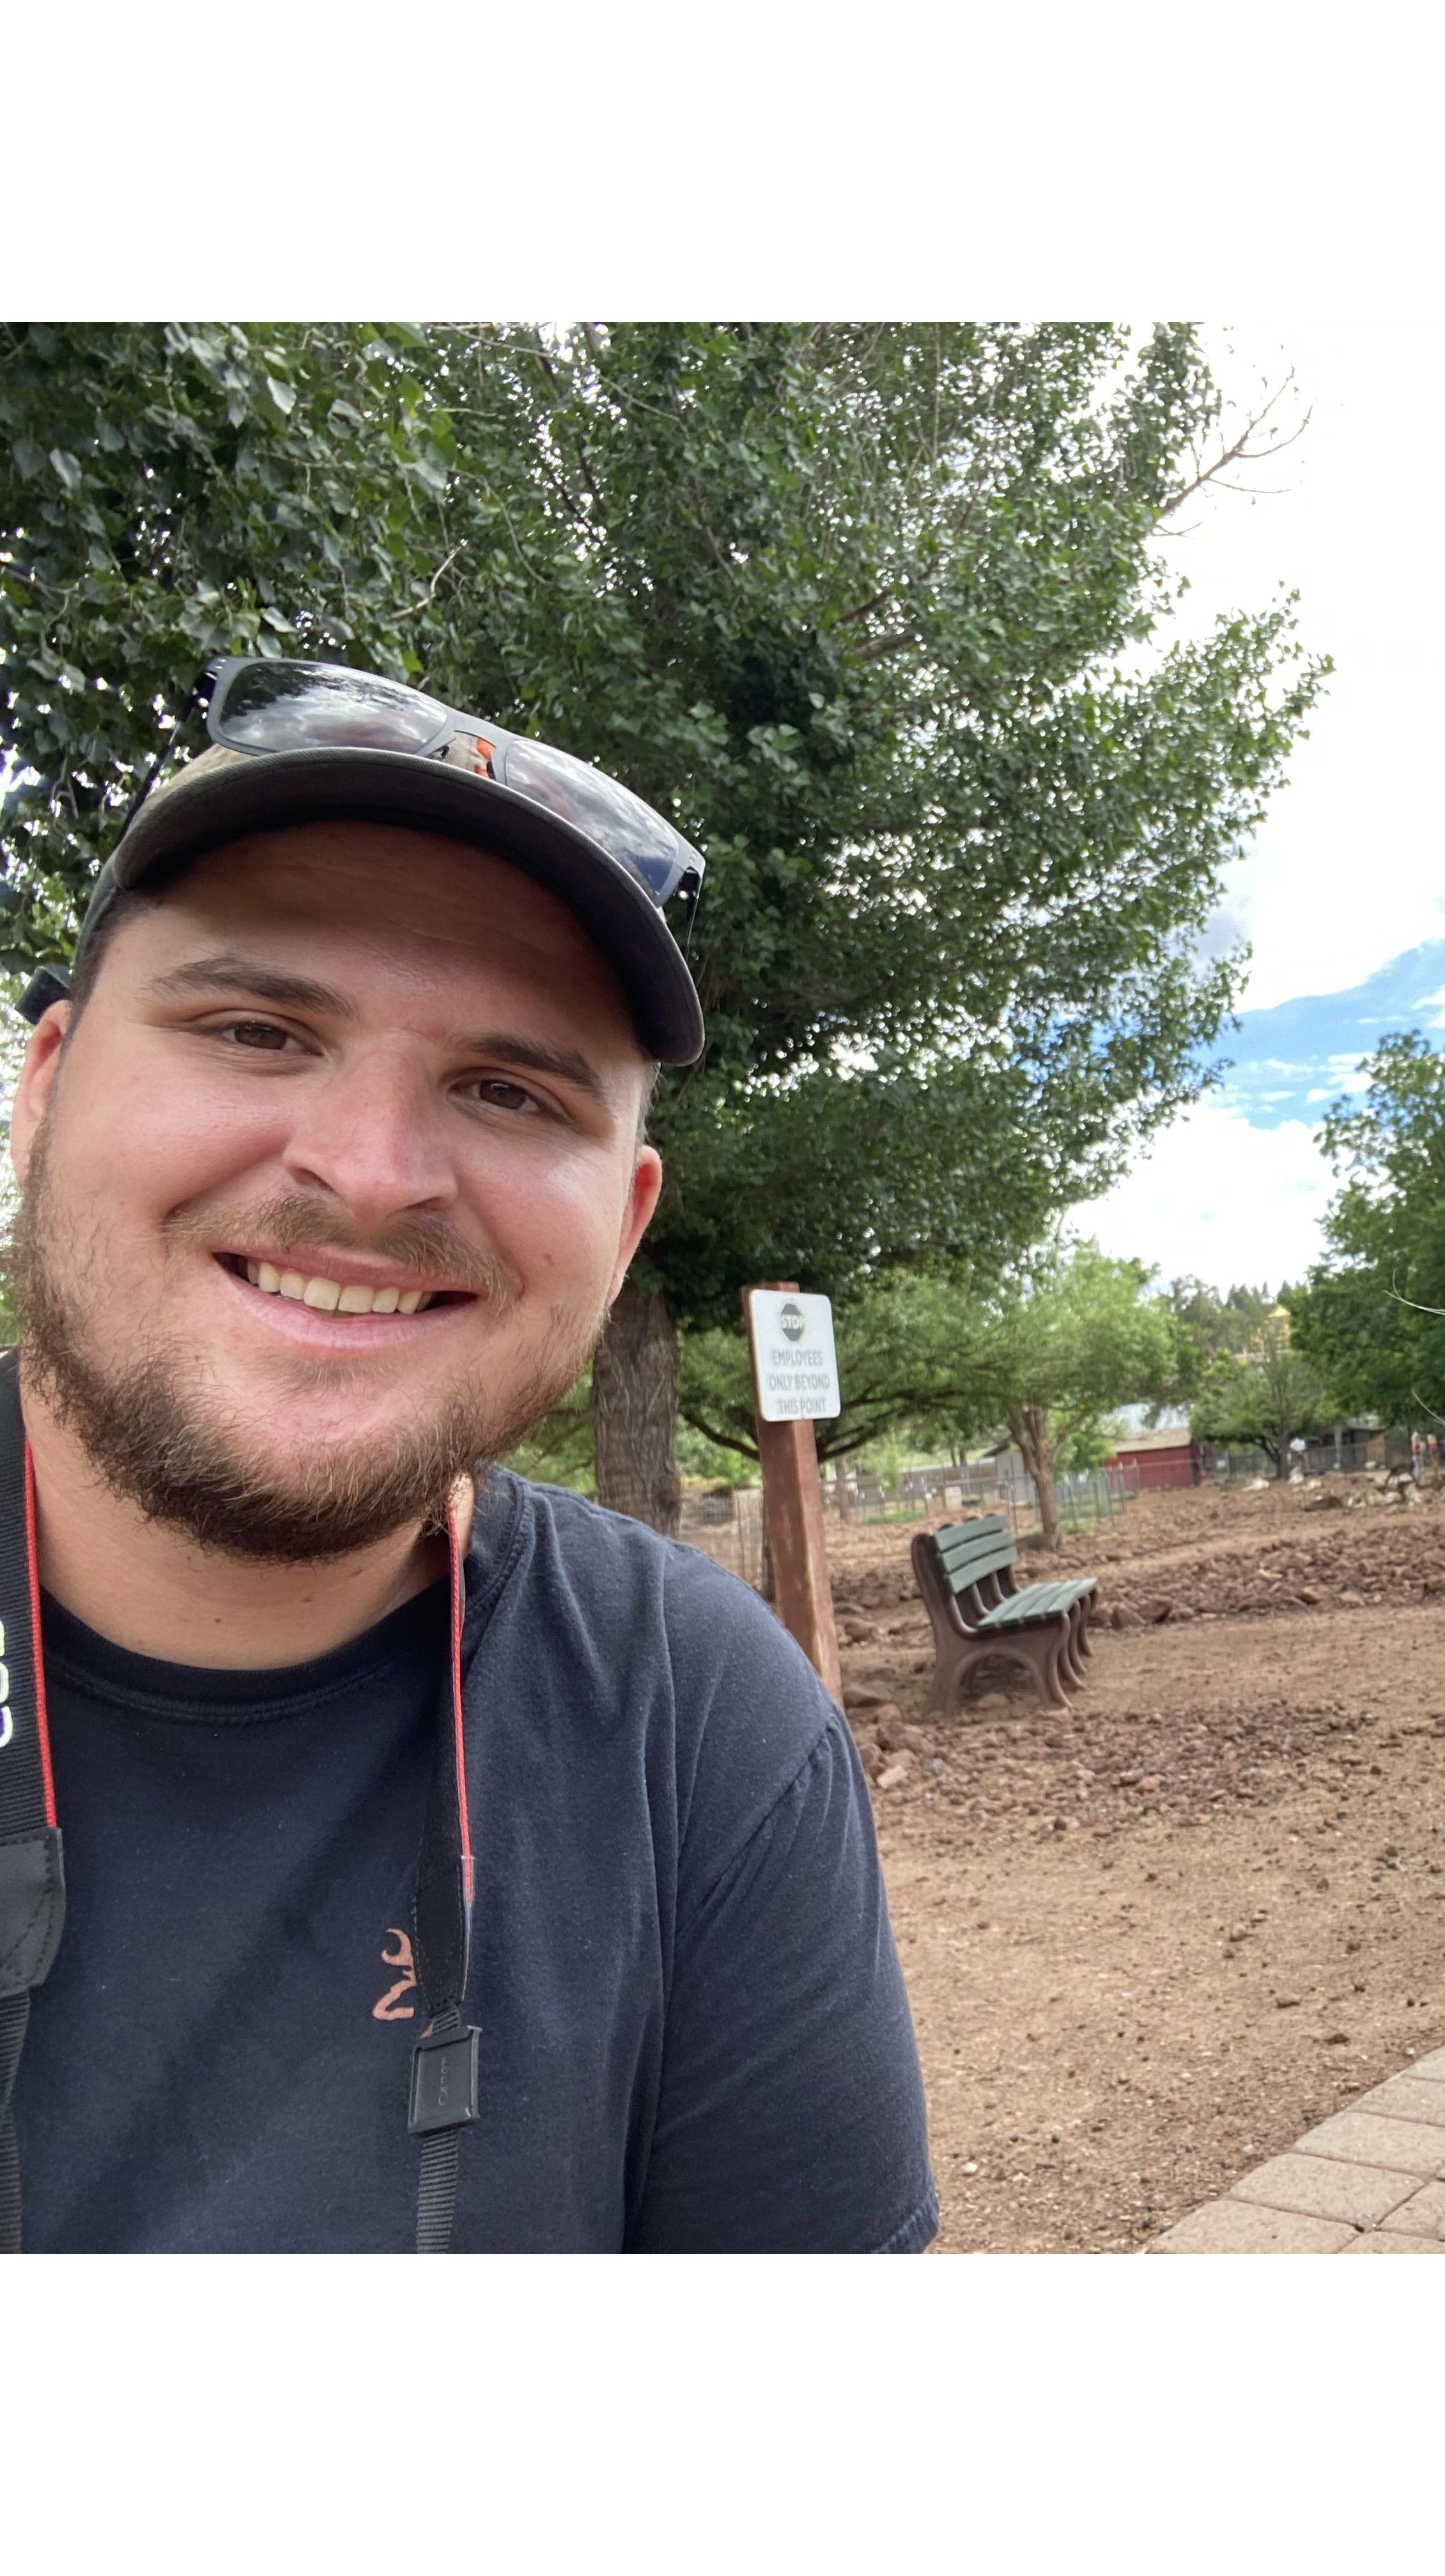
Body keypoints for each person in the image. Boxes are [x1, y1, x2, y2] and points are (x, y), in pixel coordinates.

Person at [0, 659, 936, 2251]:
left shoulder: (695, 1723)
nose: (367, 1176)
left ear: (627, 1227)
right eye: (254, 1028)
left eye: (507, 1090)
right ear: (40, 1090)